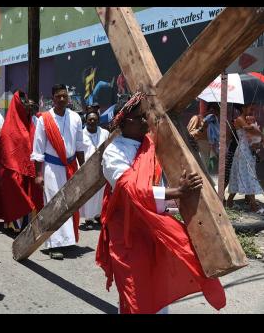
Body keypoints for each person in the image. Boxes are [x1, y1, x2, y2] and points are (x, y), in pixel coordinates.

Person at [96, 92, 226, 314]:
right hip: (128, 235)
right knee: (135, 292)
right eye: (141, 117)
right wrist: (178, 191)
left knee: (158, 286)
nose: (147, 120)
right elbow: (132, 190)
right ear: (127, 121)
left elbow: (157, 184)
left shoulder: (150, 144)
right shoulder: (114, 153)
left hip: (154, 228)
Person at [31, 84, 86, 260]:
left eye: (64, 96)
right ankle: (54, 244)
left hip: (70, 167)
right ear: (52, 98)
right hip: (51, 169)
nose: (62, 99)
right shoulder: (44, 119)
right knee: (53, 204)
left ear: (68, 97)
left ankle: (67, 240)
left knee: (69, 204)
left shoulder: (76, 118)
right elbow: (38, 150)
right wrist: (39, 175)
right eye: (58, 96)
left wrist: (83, 168)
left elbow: (79, 146)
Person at [0, 91, 43, 232]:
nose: (27, 106)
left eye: (28, 103)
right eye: (24, 103)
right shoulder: (9, 128)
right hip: (12, 171)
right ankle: (15, 224)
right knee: (16, 197)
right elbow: (7, 155)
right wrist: (17, 170)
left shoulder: (31, 124)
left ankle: (24, 223)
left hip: (28, 169)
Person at [227, 102, 264, 213]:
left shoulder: (249, 120)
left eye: (253, 110)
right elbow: (250, 130)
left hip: (249, 150)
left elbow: (254, 133)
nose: (252, 111)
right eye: (250, 109)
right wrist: (261, 134)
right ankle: (253, 206)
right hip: (243, 151)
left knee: (245, 175)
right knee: (248, 176)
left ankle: (230, 201)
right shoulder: (239, 119)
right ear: (243, 108)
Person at [79, 111, 110, 230]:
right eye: (90, 119)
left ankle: (98, 215)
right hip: (87, 168)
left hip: (102, 167)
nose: (92, 121)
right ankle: (88, 218)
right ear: (86, 121)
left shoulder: (105, 133)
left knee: (100, 193)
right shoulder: (81, 134)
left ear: (98, 121)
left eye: (95, 119)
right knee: (89, 193)